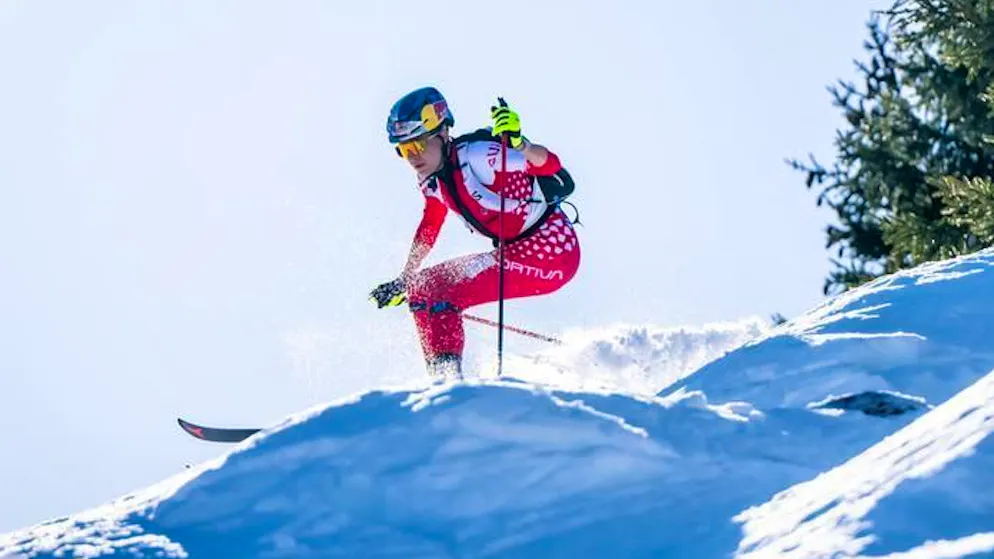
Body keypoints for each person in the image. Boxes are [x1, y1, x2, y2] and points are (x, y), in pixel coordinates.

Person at [369, 86, 581, 378]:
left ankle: (451, 386)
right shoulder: (430, 180)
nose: (413, 157)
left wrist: (521, 145)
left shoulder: (477, 156)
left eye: (418, 145)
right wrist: (405, 278)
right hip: (513, 252)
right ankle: (440, 380)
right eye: (404, 150)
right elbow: (431, 224)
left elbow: (551, 169)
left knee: (444, 293)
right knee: (421, 287)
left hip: (550, 251)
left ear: (443, 134)